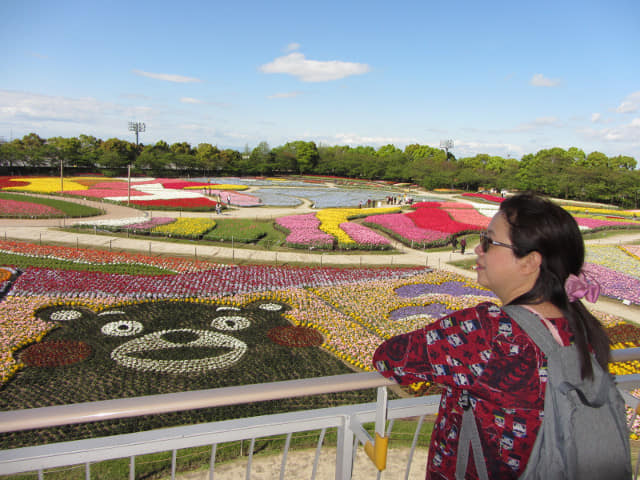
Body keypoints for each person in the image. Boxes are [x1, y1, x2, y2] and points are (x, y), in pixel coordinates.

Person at [373, 193, 611, 479]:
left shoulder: (487, 332)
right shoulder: (582, 328)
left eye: (489, 241)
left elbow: (389, 359)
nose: (477, 249)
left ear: (529, 262)